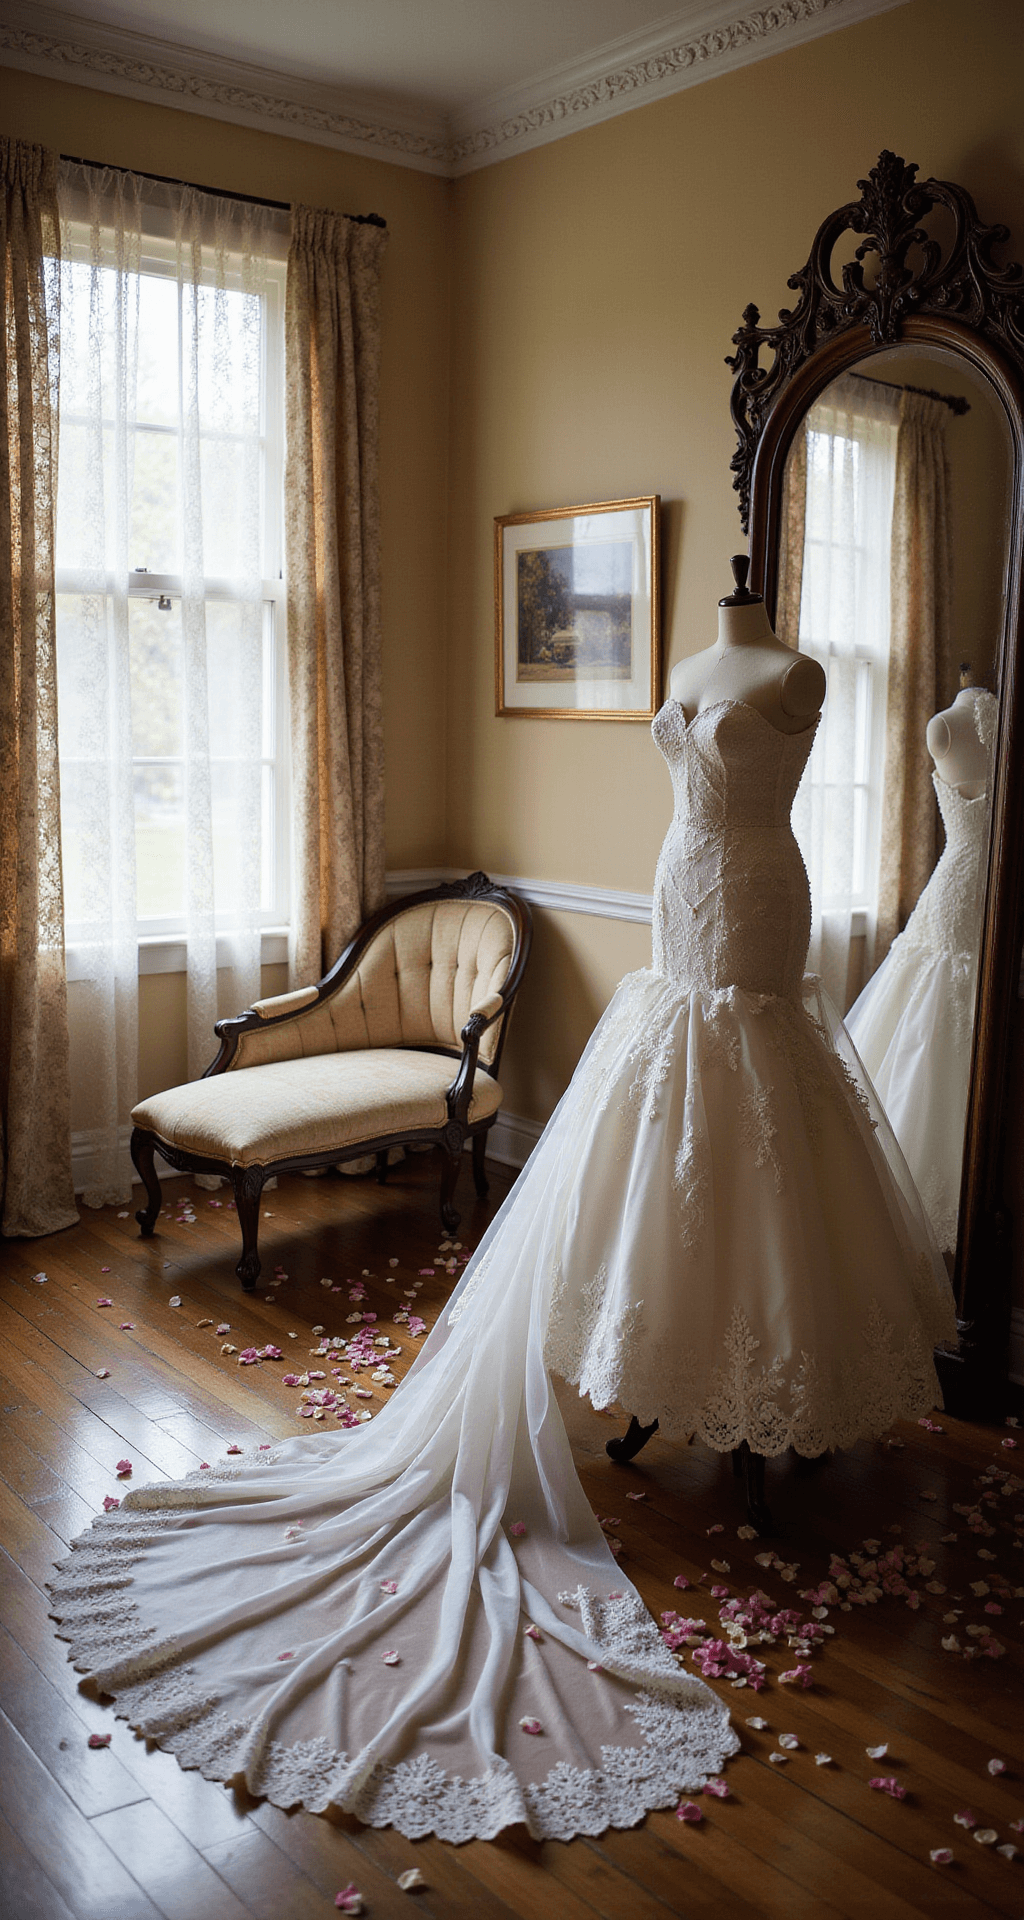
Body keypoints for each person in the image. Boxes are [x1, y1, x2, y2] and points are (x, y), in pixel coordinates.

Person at [50, 563, 954, 1845]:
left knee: (763, 1146)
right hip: (682, 898)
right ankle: (677, 1359)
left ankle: (762, 1371)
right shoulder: (704, 669)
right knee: (673, 1151)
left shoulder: (791, 676)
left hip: (753, 899)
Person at [847, 676, 998, 1252]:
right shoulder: (949, 725)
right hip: (961, 892)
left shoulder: (970, 722)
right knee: (931, 1023)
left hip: (984, 889)